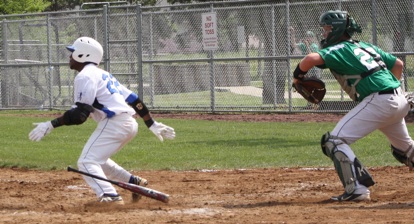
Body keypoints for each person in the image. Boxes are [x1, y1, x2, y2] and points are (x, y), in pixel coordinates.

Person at [28, 37, 176, 205]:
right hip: (128, 123)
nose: (70, 56)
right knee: (98, 159)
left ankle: (110, 196)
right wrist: (151, 123)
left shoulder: (85, 76)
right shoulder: (103, 74)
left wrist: (51, 124)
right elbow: (135, 100)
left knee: (86, 161)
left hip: (115, 123)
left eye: (73, 53)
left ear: (84, 55)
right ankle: (133, 181)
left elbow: (80, 115)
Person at [293, 10, 413, 201]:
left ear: (337, 30)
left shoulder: (339, 47)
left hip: (379, 101)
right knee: (406, 149)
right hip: (399, 98)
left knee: (334, 141)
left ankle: (357, 189)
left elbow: (309, 60)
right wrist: (392, 92)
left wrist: (296, 78)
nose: (324, 33)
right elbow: (397, 65)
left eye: (327, 29)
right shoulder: (365, 46)